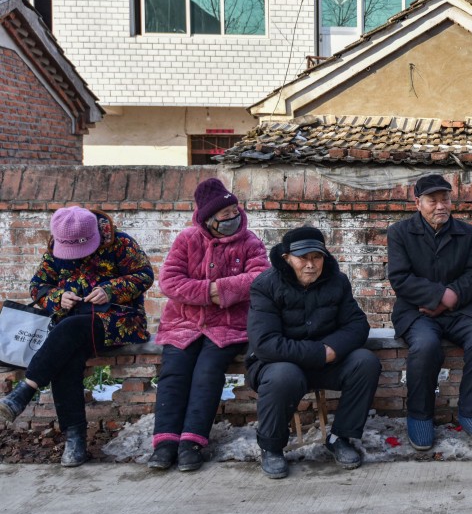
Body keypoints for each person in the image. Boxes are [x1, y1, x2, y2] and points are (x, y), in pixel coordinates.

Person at [0, 206, 153, 467]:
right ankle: (75, 440)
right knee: (66, 355)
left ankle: (26, 390)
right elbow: (37, 286)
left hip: (118, 320)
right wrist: (58, 298)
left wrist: (110, 290)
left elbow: (144, 275)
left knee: (67, 332)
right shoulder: (54, 248)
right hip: (71, 326)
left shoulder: (121, 243)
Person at [148, 178, 270, 472]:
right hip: (183, 324)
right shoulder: (187, 240)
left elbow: (260, 277)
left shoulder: (250, 242)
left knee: (207, 373)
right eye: (224, 215)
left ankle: (192, 441)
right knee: (174, 373)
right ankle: (165, 442)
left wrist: (221, 288)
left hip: (228, 327)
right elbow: (170, 282)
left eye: (234, 211)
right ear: (208, 219)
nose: (231, 218)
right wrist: (208, 292)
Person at [246, 226, 380, 479]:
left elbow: (357, 325)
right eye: (302, 258)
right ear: (287, 258)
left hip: (326, 363)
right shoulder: (266, 285)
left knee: (365, 361)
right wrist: (319, 352)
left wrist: (333, 349)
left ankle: (341, 437)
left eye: (316, 257)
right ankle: (271, 447)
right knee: (284, 375)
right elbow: (265, 343)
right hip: (277, 365)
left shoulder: (336, 281)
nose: (310, 265)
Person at [386, 174, 472, 450]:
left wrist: (449, 298)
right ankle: (420, 415)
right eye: (432, 200)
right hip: (417, 310)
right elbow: (400, 278)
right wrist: (438, 296)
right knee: (425, 345)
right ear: (418, 203)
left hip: (460, 309)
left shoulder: (466, 232)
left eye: (445, 199)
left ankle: (471, 412)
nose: (440, 206)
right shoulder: (399, 233)